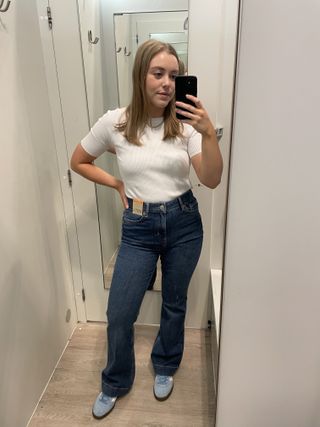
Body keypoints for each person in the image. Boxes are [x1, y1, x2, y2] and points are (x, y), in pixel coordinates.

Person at [70, 39, 223, 420]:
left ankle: (166, 364)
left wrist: (206, 134)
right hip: (138, 227)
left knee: (175, 302)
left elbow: (212, 178)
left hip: (184, 222)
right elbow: (79, 160)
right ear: (141, 75)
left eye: (174, 75)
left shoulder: (185, 126)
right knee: (120, 311)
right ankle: (116, 380)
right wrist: (117, 184)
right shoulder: (116, 122)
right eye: (158, 73)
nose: (168, 83)